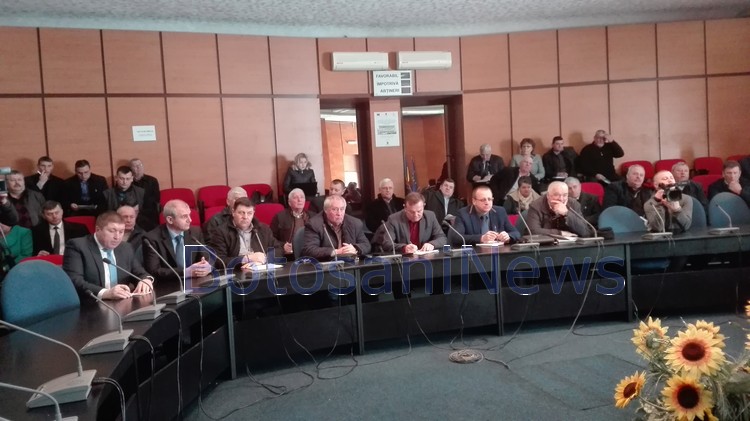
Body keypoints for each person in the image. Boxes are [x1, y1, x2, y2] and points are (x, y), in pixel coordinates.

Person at [63, 211, 154, 300]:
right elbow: (74, 280)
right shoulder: (78, 246)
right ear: (98, 230)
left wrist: (145, 280)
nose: (117, 237)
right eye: (112, 231)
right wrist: (106, 293)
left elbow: (140, 273)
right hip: (91, 303)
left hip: (121, 302)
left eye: (121, 232)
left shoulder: (126, 248)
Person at [143, 199, 211, 284]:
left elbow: (206, 258)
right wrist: (185, 272)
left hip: (195, 282)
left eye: (189, 215)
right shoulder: (152, 238)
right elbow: (154, 271)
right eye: (184, 216)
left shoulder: (195, 232)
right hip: (168, 285)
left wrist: (207, 267)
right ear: (170, 220)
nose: (190, 220)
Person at [207, 197, 283, 269]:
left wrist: (263, 259)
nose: (245, 217)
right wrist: (246, 259)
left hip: (260, 270)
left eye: (249, 213)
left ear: (253, 213)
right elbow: (219, 261)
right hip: (236, 272)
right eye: (241, 213)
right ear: (233, 212)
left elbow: (279, 250)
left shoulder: (263, 229)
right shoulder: (221, 232)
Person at [302, 195, 370, 261]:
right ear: (326, 210)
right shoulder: (314, 224)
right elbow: (309, 249)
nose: (339, 213)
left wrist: (355, 248)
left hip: (349, 264)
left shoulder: (355, 223)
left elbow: (366, 245)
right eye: (334, 209)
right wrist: (336, 252)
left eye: (342, 209)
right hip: (325, 265)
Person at [374, 192, 446, 254]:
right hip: (404, 259)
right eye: (412, 212)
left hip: (427, 257)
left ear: (423, 206)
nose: (416, 215)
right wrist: (404, 248)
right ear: (405, 208)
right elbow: (387, 244)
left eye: (419, 211)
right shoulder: (393, 219)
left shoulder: (430, 216)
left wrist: (432, 244)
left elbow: (442, 238)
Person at [451, 185, 520, 246]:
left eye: (489, 199)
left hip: (498, 252)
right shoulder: (463, 214)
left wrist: (508, 236)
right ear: (474, 201)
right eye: (483, 200)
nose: (487, 202)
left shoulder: (500, 212)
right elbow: (456, 237)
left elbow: (516, 233)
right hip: (475, 253)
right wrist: (481, 238)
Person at [526, 181, 593, 237]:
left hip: (570, 245)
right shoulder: (536, 206)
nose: (561, 199)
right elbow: (533, 231)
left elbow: (586, 232)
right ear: (548, 195)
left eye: (565, 195)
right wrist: (560, 233)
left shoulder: (574, 204)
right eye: (556, 195)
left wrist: (567, 213)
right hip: (546, 246)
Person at [271, 188, 311, 259]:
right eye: (295, 198)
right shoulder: (280, 217)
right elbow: (271, 238)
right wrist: (283, 245)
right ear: (289, 202)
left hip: (309, 253)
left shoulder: (312, 216)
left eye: (302, 197)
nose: (299, 200)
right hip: (288, 255)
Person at [130, 158, 160, 231]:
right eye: (135, 166)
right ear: (131, 169)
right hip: (133, 212)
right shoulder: (129, 181)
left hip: (149, 211)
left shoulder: (152, 180)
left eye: (140, 165)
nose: (138, 167)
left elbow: (156, 198)